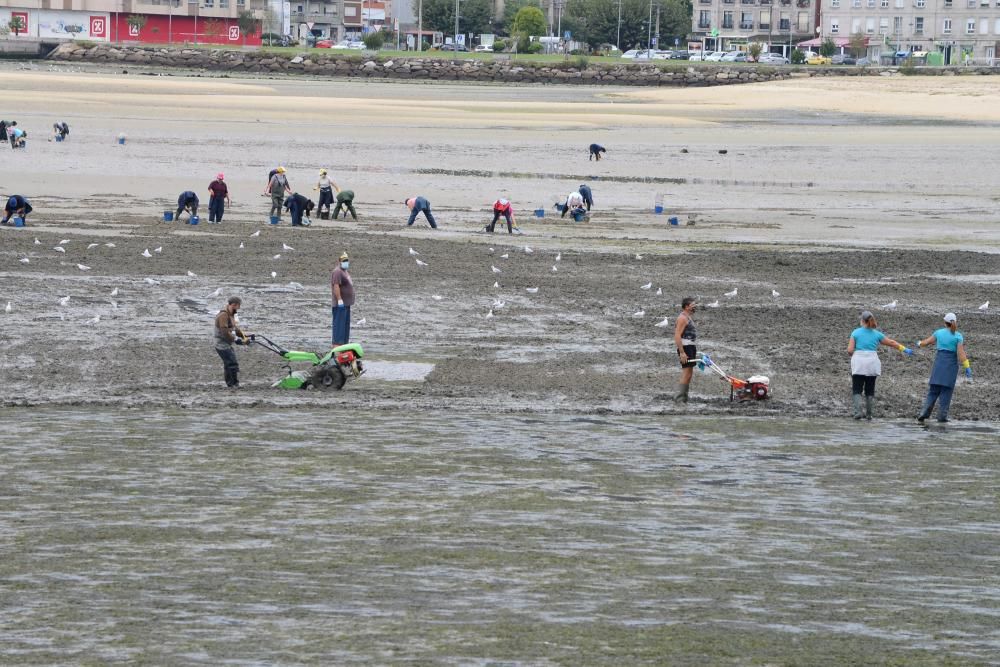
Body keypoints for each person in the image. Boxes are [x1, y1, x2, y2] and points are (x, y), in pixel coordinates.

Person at [846, 310, 913, 420]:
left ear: (862, 320)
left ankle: (858, 412)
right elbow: (892, 343)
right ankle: (869, 414)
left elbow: (849, 350)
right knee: (870, 389)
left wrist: (855, 354)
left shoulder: (855, 333)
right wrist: (904, 349)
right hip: (872, 362)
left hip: (859, 363)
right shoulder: (877, 334)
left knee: (857, 388)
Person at [916, 313, 971, 423]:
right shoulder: (958, 336)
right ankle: (942, 417)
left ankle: (923, 413)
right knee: (946, 392)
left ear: (944, 322)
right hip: (950, 367)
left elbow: (926, 342)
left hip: (939, 364)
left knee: (933, 391)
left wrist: (919, 343)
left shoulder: (939, 333)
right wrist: (967, 366)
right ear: (955, 322)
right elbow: (961, 354)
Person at [214, 296, 248, 389]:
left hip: (226, 343)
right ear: (233, 305)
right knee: (232, 363)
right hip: (221, 344)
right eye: (238, 306)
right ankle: (233, 384)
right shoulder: (223, 315)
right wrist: (235, 339)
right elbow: (224, 332)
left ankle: (231, 384)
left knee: (228, 363)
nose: (239, 308)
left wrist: (244, 336)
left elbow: (234, 328)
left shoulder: (231, 314)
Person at [672, 297, 699, 403]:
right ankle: (679, 399)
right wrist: (682, 353)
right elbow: (677, 335)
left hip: (690, 347)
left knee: (689, 374)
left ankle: (683, 398)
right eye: (693, 305)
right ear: (687, 306)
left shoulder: (688, 317)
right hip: (686, 347)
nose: (695, 306)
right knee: (686, 373)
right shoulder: (682, 318)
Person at [331, 251, 354, 345]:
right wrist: (339, 300)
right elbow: (336, 286)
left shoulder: (345, 271)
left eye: (347, 260)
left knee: (345, 328)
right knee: (339, 328)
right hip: (340, 305)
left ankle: (344, 347)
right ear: (339, 261)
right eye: (344, 260)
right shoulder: (337, 272)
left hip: (346, 304)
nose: (346, 262)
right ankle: (336, 348)